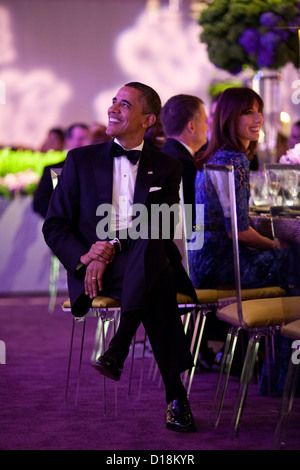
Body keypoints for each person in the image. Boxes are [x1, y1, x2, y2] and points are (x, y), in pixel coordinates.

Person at [42, 82, 196, 432]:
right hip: (95, 270)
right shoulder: (81, 160)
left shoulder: (168, 167)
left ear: (148, 119)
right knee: (155, 265)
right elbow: (54, 226)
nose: (112, 108)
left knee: (151, 238)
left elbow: (163, 225)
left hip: (141, 257)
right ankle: (175, 396)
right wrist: (88, 255)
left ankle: (119, 346)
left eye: (124, 105)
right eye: (113, 102)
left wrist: (112, 245)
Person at [189, 86, 299, 292]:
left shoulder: (214, 155)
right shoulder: (235, 159)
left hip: (200, 261)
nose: (258, 119)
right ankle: (284, 323)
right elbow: (239, 233)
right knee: (294, 257)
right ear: (229, 118)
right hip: (222, 264)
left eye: (259, 112)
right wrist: (275, 244)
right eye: (248, 113)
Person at [160, 94, 208, 234]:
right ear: (191, 126)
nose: (207, 128)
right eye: (205, 121)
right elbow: (194, 219)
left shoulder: (163, 154)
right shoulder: (184, 165)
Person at [33, 123, 90, 218]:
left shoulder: (96, 169)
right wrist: (58, 220)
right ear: (68, 141)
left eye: (88, 139)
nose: (86, 143)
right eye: (80, 139)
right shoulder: (53, 170)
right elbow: (39, 203)